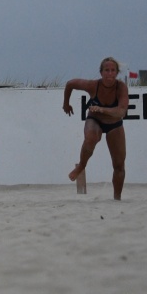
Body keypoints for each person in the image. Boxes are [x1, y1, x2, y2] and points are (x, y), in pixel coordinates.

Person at [63, 57, 129, 200]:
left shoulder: (121, 87)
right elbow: (70, 84)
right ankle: (81, 165)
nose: (109, 74)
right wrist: (66, 104)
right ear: (101, 72)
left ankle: (117, 198)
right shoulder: (93, 85)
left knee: (119, 166)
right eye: (106, 70)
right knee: (91, 137)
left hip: (114, 124)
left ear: (117, 73)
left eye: (113, 70)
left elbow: (121, 112)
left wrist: (102, 109)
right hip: (95, 120)